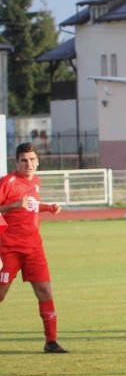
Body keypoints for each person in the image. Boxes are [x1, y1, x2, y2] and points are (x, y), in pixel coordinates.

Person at [0, 143, 68, 353]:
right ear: (17, 162)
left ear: (37, 161)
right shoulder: (7, 182)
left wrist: (49, 207)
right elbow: (12, 205)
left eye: (32, 160)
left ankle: (51, 342)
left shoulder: (36, 182)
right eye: (24, 160)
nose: (28, 164)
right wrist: (12, 206)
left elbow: (31, 205)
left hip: (33, 248)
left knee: (45, 291)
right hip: (8, 249)